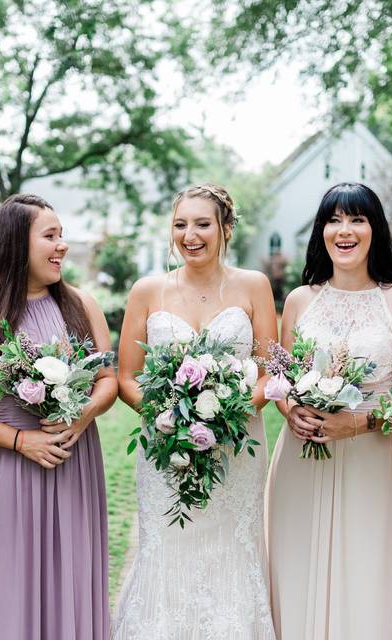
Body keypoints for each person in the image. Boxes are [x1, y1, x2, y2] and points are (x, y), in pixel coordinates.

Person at [0, 194, 116, 639]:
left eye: (62, 235)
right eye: (49, 236)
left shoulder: (81, 304)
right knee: (6, 581)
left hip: (71, 465)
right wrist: (19, 441)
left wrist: (83, 414)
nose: (62, 246)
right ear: (16, 243)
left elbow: (108, 378)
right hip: (0, 470)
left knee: (69, 573)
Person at [111, 184, 279, 639]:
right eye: (181, 224)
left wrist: (229, 412)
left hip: (237, 447)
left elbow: (269, 371)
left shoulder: (254, 286)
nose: (191, 235)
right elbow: (127, 375)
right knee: (167, 546)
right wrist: (169, 418)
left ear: (225, 228)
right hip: (167, 447)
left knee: (230, 548)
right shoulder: (147, 291)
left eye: (203, 224)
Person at [266, 183, 392, 639]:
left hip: (369, 461)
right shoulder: (300, 300)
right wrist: (290, 409)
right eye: (334, 220)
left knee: (367, 572)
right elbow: (282, 380)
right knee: (297, 565)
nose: (345, 230)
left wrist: (357, 423)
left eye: (357, 219)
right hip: (301, 457)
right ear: (321, 232)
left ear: (375, 230)